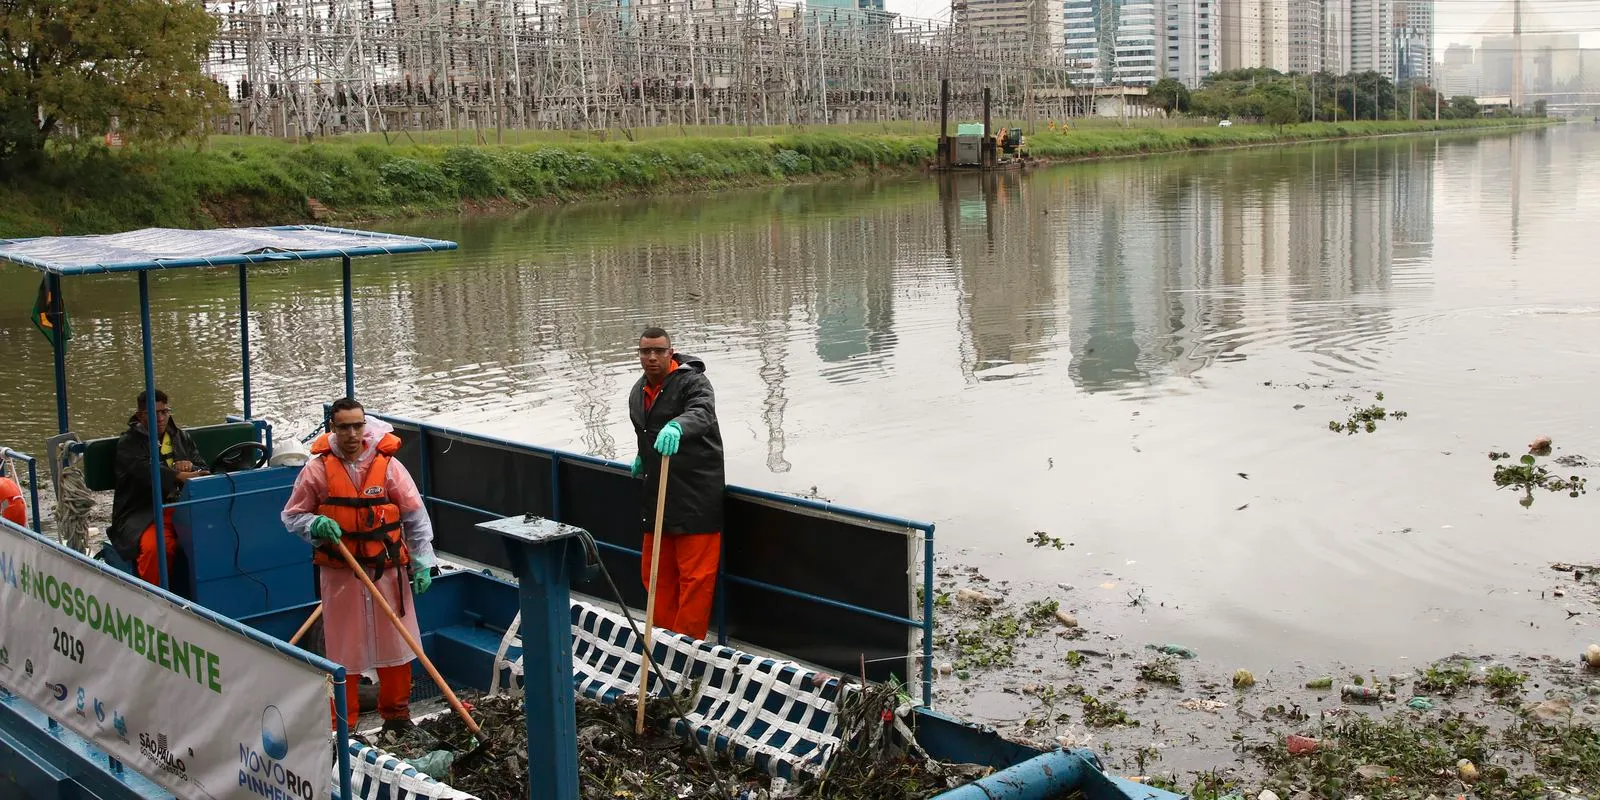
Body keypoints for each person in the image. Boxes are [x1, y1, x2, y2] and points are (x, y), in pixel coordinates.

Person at [281, 397, 436, 732]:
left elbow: (414, 515)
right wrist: (315, 526)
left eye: (357, 425)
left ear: (364, 426)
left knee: (398, 643)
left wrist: (423, 563)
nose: (352, 434)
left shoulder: (389, 466)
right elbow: (292, 516)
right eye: (344, 427)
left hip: (387, 573)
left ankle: (396, 717)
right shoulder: (317, 470)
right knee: (343, 650)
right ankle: (344, 726)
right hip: (342, 576)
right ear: (332, 429)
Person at [628, 327, 725, 640]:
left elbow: (702, 412)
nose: (652, 357)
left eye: (658, 350)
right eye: (646, 351)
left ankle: (687, 651)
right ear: (639, 354)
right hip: (657, 496)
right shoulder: (637, 392)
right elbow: (645, 434)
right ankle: (660, 641)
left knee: (695, 581)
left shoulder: (693, 382)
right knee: (655, 575)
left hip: (696, 497)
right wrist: (643, 455)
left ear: (671, 352)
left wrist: (678, 426)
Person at [110, 389, 207, 588]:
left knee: (217, 534)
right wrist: (178, 474)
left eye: (164, 412)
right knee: (157, 548)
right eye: (154, 413)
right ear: (140, 415)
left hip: (182, 506)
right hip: (143, 512)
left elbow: (203, 467)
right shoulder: (129, 443)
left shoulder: (181, 437)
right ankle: (155, 597)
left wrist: (192, 467)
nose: (161, 418)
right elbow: (146, 472)